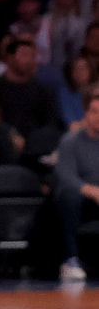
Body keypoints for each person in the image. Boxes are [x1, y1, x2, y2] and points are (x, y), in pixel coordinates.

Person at [52, 89, 99, 282]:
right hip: (83, 200)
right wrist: (92, 191)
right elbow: (66, 176)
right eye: (95, 111)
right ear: (86, 114)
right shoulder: (70, 141)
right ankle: (71, 259)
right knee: (69, 194)